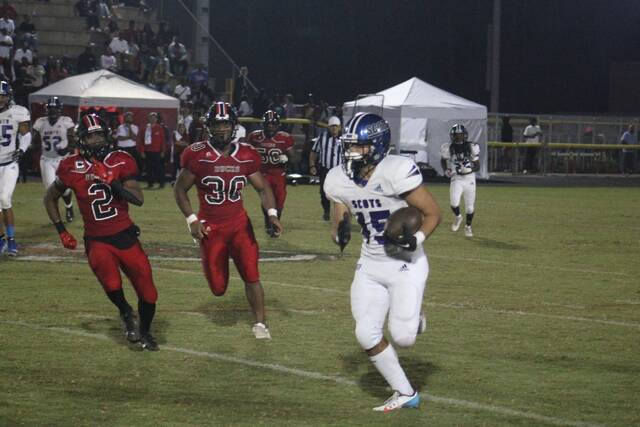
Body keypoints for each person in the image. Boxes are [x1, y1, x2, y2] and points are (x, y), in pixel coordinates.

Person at [323, 112, 441, 412]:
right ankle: (406, 393)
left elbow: (432, 214)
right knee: (365, 332)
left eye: (358, 146)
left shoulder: (396, 170)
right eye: (348, 145)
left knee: (403, 338)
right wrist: (339, 230)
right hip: (370, 264)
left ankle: (414, 321)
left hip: (406, 263)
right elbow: (340, 212)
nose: (350, 152)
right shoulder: (337, 178)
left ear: (376, 145)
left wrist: (417, 240)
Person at [43, 113, 159, 351]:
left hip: (125, 236)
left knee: (149, 293)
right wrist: (61, 230)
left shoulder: (121, 160)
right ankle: (125, 311)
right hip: (97, 240)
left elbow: (138, 199)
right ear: (81, 140)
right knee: (112, 285)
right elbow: (50, 197)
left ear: (107, 136)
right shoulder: (70, 166)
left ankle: (145, 331)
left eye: (99, 135)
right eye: (91, 136)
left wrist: (112, 183)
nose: (96, 141)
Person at [173, 101, 283, 340]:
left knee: (252, 275)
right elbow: (180, 189)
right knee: (218, 288)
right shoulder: (197, 154)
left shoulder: (246, 154)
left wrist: (272, 215)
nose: (222, 129)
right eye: (217, 124)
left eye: (226, 124)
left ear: (234, 126)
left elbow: (263, 188)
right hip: (211, 228)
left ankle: (260, 324)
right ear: (209, 126)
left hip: (239, 225)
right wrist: (191, 219)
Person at [247, 110, 294, 234]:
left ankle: (276, 220)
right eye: (268, 124)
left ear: (277, 125)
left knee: (280, 200)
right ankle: (268, 222)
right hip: (262, 173)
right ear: (263, 124)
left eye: (273, 124)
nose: (270, 126)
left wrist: (287, 159)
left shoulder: (284, 138)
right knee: (266, 198)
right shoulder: (255, 137)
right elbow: (248, 154)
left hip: (278, 172)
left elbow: (293, 157)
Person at [32, 97, 76, 222]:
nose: (52, 111)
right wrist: (32, 144)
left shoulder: (66, 121)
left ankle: (69, 206)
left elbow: (73, 139)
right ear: (47, 109)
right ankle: (56, 217)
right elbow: (33, 138)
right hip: (46, 160)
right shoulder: (40, 122)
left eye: (55, 109)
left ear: (60, 109)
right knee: (51, 190)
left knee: (65, 189)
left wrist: (67, 149)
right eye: (50, 109)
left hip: (63, 160)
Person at [0, 80, 30, 256]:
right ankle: (1, 239)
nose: (1, 99)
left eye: (3, 96)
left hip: (9, 163)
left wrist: (21, 149)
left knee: (5, 199)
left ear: (9, 96)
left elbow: (25, 134)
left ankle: (11, 240)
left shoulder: (18, 112)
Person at [440, 124, 480, 238]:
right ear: (452, 136)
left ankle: (468, 226)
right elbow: (443, 160)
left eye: (461, 135)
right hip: (456, 178)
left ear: (465, 135)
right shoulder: (448, 147)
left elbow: (478, 166)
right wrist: (446, 170)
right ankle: (458, 217)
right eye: (456, 136)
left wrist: (469, 169)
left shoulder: (471, 147)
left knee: (470, 207)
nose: (459, 138)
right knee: (454, 203)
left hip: (469, 179)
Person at [309, 116, 342, 221]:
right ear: (328, 127)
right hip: (325, 169)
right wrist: (312, 165)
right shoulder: (322, 137)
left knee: (340, 193)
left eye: (336, 126)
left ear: (339, 127)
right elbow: (314, 152)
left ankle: (340, 213)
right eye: (332, 126)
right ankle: (326, 212)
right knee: (324, 192)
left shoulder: (345, 139)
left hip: (339, 171)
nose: (334, 129)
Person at [143, 112, 165, 189]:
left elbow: (163, 140)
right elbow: (141, 140)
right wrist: (142, 151)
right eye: (151, 117)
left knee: (159, 168)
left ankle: (161, 183)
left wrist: (163, 151)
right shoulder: (145, 128)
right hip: (148, 151)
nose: (153, 119)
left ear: (156, 119)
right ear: (149, 118)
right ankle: (150, 183)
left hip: (157, 152)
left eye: (154, 117)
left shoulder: (159, 128)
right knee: (149, 168)